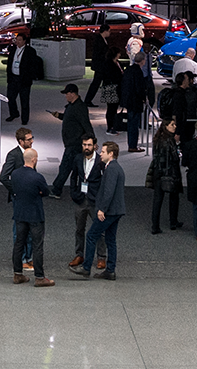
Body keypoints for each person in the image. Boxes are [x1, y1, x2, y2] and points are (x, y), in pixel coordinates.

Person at [71, 141, 124, 279]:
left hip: (109, 211)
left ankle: (86, 267)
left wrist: (102, 209)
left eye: (103, 152)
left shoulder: (111, 169)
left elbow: (108, 191)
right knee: (110, 239)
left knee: (91, 235)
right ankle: (110, 270)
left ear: (111, 154)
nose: (100, 154)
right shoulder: (116, 167)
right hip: (116, 210)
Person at [9, 147, 55, 286]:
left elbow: (14, 188)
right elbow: (45, 192)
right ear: (34, 160)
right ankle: (39, 277)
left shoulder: (15, 174)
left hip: (19, 214)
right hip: (35, 215)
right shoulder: (37, 177)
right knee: (37, 246)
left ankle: (17, 274)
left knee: (19, 244)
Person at [49, 83, 95, 199]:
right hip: (72, 142)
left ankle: (56, 190)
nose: (66, 96)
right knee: (77, 169)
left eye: (67, 94)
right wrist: (59, 116)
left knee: (65, 167)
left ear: (73, 94)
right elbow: (70, 118)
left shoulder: (79, 107)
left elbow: (86, 124)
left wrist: (92, 141)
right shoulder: (72, 106)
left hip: (74, 143)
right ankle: (83, 191)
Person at [65, 134, 104, 270]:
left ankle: (101, 257)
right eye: (84, 145)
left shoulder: (100, 161)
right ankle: (79, 255)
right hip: (80, 199)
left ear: (95, 146)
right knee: (79, 229)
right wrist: (73, 193)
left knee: (99, 229)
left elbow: (104, 181)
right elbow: (74, 176)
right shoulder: (78, 158)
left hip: (95, 200)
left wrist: (102, 199)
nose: (86, 147)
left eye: (89, 145)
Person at [0, 128, 36, 271]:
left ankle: (29, 257)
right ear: (21, 141)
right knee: (20, 230)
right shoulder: (14, 155)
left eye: (32, 138)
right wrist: (16, 191)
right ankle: (21, 259)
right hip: (19, 199)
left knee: (31, 229)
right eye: (29, 139)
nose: (32, 141)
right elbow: (3, 177)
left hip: (30, 198)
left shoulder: (30, 153)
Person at [148, 118, 184, 233]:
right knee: (174, 197)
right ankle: (173, 221)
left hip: (158, 172)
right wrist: (178, 146)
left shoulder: (157, 139)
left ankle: (155, 225)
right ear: (166, 126)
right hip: (170, 172)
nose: (175, 126)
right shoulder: (170, 140)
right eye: (172, 124)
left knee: (158, 199)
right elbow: (175, 157)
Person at [120, 51, 153, 152]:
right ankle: (133, 145)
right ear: (142, 61)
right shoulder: (138, 72)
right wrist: (144, 97)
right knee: (134, 124)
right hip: (135, 101)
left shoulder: (129, 69)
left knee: (131, 123)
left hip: (128, 100)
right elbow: (139, 88)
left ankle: (132, 144)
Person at [5, 32, 40, 124]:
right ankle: (14, 113)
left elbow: (33, 66)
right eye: (17, 40)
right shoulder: (13, 49)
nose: (18, 42)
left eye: (20, 40)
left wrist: (30, 77)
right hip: (13, 78)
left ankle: (24, 119)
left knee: (24, 100)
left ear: (24, 41)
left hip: (24, 80)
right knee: (10, 97)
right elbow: (9, 63)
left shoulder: (30, 51)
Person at [83, 23, 113, 106]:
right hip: (100, 66)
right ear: (105, 31)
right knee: (97, 83)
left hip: (101, 66)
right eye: (109, 31)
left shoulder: (101, 39)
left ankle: (107, 99)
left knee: (101, 82)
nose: (110, 33)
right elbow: (100, 54)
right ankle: (89, 100)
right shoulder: (99, 41)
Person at [96, 46, 124, 133]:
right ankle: (110, 127)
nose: (120, 55)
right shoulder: (108, 64)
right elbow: (109, 75)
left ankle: (113, 125)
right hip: (110, 88)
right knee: (111, 108)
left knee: (114, 108)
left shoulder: (118, 63)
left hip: (117, 88)